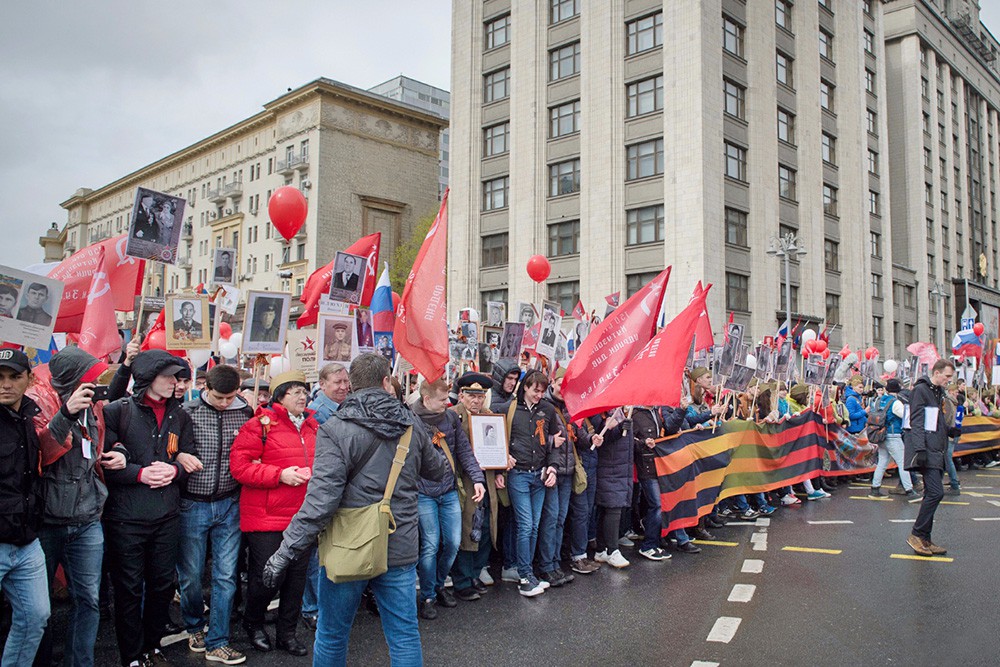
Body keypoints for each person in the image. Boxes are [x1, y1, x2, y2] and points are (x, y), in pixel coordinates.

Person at [261, 353, 449, 666]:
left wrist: (285, 551)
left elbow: (321, 501)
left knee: (333, 633)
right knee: (403, 634)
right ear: (387, 382)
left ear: (351, 386)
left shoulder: (335, 427)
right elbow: (438, 471)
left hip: (348, 545)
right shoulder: (411, 424)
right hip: (398, 542)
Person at [101, 350, 199, 667]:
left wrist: (176, 471)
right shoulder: (117, 411)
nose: (175, 383)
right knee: (129, 589)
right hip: (126, 518)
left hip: (167, 515)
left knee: (161, 585)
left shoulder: (180, 416)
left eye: (178, 377)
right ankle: (132, 656)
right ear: (147, 378)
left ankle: (153, 647)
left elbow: (187, 455)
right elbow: (105, 463)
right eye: (168, 376)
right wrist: (139, 473)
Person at [33, 348, 127, 667]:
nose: (96, 384)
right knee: (39, 607)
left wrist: (119, 452)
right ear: (71, 381)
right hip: (47, 522)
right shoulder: (41, 402)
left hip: (88, 519)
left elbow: (106, 439)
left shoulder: (95, 406)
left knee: (88, 600)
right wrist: (67, 414)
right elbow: (40, 454)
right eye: (89, 378)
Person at [230, 370, 317, 657]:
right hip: (267, 516)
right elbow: (240, 468)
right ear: (280, 396)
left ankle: (287, 634)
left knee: (296, 581)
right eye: (295, 392)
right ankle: (253, 623)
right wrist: (279, 475)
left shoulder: (312, 426)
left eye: (304, 391)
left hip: (302, 517)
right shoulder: (260, 426)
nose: (302, 396)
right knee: (266, 577)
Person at [177, 364, 253, 664]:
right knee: (192, 575)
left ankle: (218, 639)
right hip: (192, 502)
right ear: (205, 388)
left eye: (230, 397)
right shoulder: (186, 412)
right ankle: (194, 625)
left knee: (225, 576)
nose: (224, 403)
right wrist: (180, 456)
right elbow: (170, 449)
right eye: (219, 397)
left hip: (230, 502)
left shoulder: (244, 412)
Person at [409, 378, 486, 619]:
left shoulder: (451, 418)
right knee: (431, 544)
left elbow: (463, 451)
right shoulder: (411, 420)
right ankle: (429, 595)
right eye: (442, 400)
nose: (447, 403)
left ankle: (440, 584)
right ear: (427, 399)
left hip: (449, 490)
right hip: (424, 493)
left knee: (452, 542)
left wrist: (477, 479)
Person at [0, 349, 50, 667]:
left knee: (36, 617)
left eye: (14, 377)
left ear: (29, 379)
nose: (5, 384)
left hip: (27, 540)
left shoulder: (29, 418)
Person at [499, 370, 564, 597]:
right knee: (525, 525)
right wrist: (502, 459)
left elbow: (553, 443)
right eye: (535, 390)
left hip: (540, 474)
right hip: (518, 474)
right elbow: (497, 438)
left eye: (542, 391)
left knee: (534, 525)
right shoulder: (509, 408)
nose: (539, 395)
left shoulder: (547, 409)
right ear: (525, 387)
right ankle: (524, 575)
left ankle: (528, 572)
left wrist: (553, 467)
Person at [450, 373, 509, 599]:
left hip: (488, 481)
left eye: (480, 396)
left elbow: (499, 448)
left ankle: (475, 572)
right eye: (472, 396)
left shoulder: (490, 416)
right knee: (467, 529)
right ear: (462, 396)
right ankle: (462, 580)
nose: (476, 401)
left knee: (486, 527)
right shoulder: (453, 416)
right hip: (464, 482)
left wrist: (501, 470)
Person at [538, 369, 599, 586]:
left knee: (560, 520)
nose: (564, 389)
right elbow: (538, 439)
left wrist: (593, 438)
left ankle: (555, 564)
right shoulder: (545, 408)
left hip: (568, 471)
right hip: (552, 471)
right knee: (551, 519)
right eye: (560, 384)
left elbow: (580, 438)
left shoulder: (570, 408)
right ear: (552, 383)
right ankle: (547, 566)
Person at [302, 362, 351, 628]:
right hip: (322, 487)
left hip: (342, 486)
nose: (343, 387)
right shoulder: (316, 414)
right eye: (337, 383)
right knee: (315, 552)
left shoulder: (348, 407)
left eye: (346, 382)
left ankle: (328, 603)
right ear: (322, 384)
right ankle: (312, 608)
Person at [904, 359, 955, 557]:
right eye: (947, 376)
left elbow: (935, 420)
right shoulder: (921, 390)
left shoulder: (937, 392)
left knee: (931, 494)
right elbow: (916, 420)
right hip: (926, 449)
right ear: (936, 372)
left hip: (937, 448)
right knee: (936, 493)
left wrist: (949, 430)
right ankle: (916, 534)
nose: (949, 381)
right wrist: (919, 449)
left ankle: (925, 538)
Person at [869, 379, 917, 499]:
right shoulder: (895, 403)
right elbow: (906, 417)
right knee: (903, 463)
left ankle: (875, 488)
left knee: (882, 462)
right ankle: (909, 490)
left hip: (880, 433)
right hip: (893, 434)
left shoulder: (878, 400)